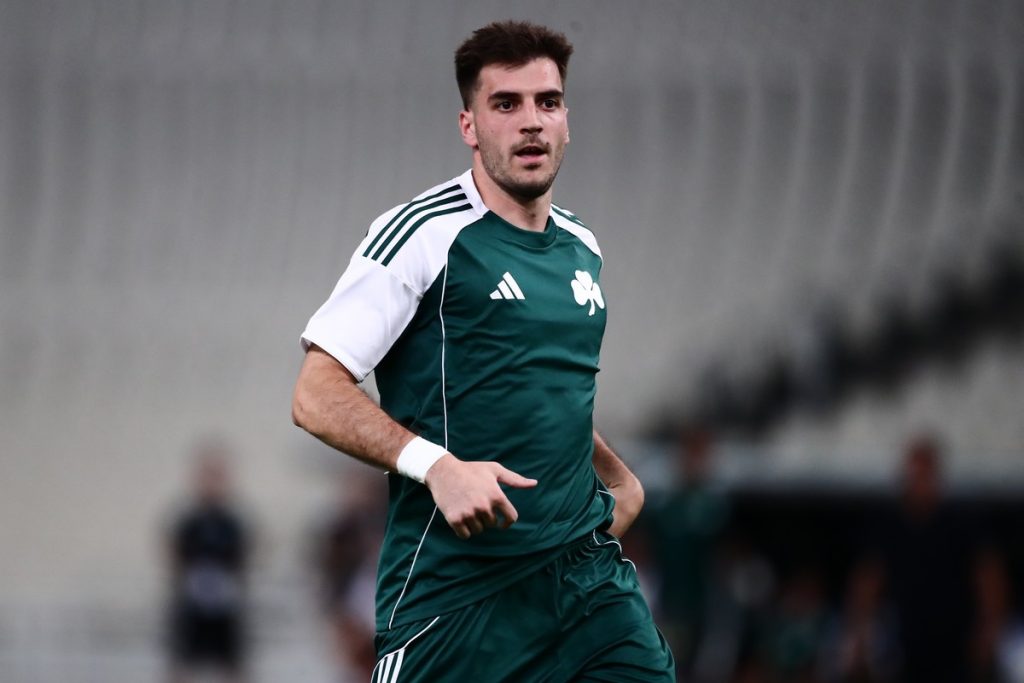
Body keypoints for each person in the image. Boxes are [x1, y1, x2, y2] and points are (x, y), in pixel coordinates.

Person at [292, 20, 674, 682]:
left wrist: (617, 474)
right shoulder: (422, 234)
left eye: (547, 102)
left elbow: (538, 387)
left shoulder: (583, 246)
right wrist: (438, 466)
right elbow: (315, 394)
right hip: (458, 601)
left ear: (566, 120)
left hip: (587, 587)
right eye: (506, 104)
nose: (531, 122)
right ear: (469, 125)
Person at [165, 442, 251, 683]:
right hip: (193, 602)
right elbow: (176, 556)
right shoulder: (188, 522)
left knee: (231, 664)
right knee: (184, 663)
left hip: (225, 602)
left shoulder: (231, 523)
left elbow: (242, 558)